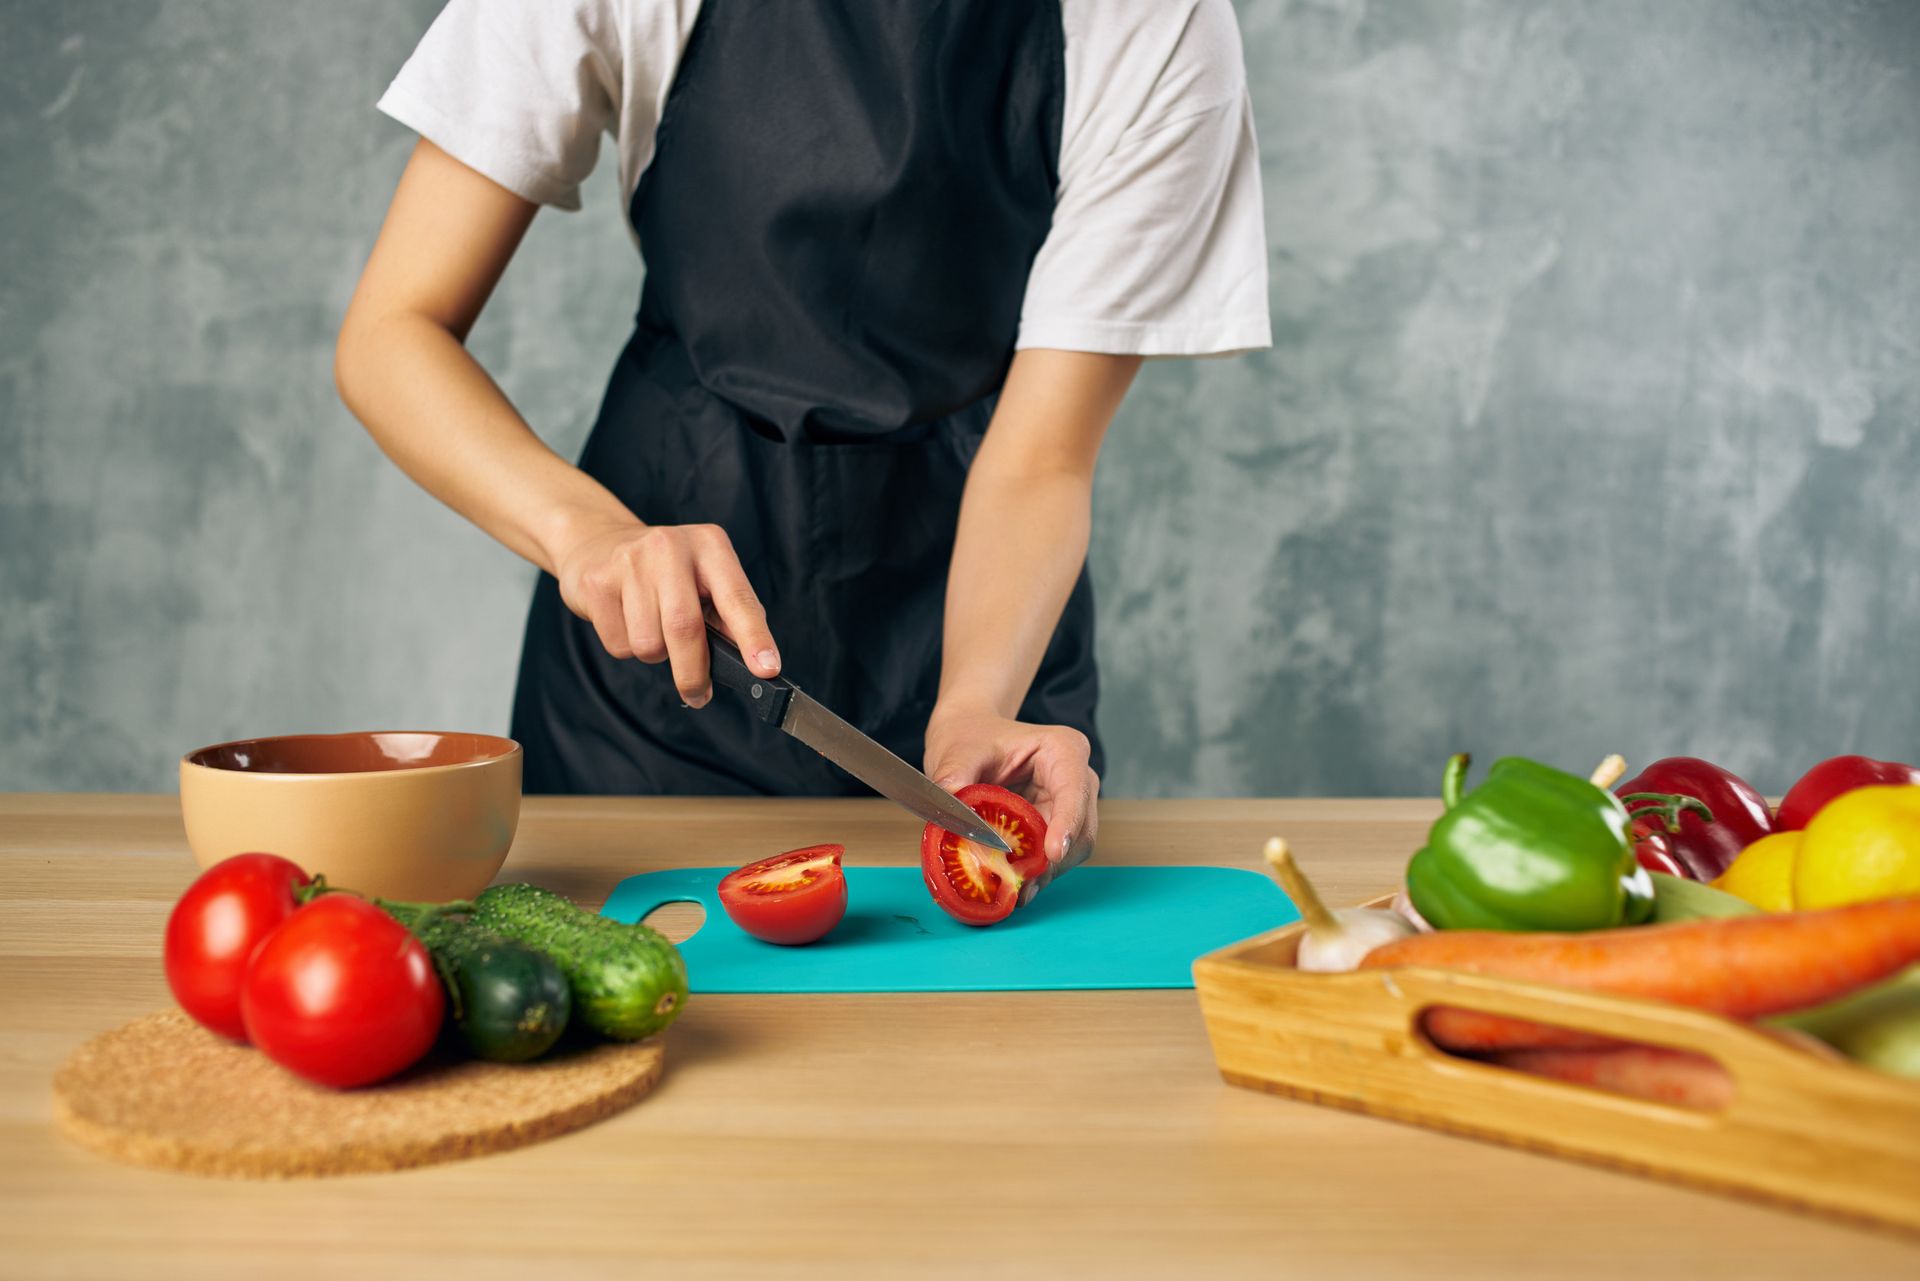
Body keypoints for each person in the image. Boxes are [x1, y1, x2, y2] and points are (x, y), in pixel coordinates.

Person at [335, 0, 1270, 895]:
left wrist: (976, 706)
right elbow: (392, 333)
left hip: (982, 606)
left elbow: (1040, 460)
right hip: (656, 642)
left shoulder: (1159, 23)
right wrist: (587, 535)